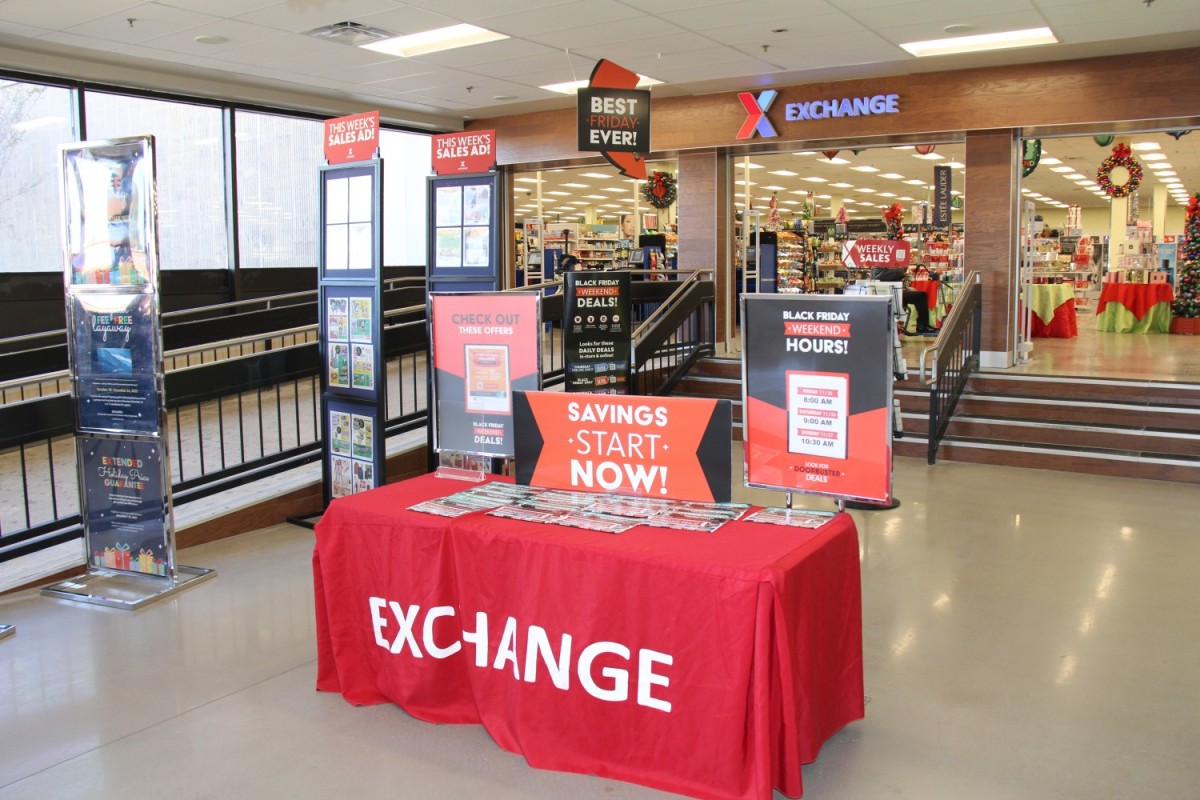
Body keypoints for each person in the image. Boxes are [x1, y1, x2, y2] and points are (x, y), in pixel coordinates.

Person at [871, 266, 937, 335]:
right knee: (921, 296)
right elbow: (880, 276)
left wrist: (906, 287)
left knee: (922, 295)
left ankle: (923, 325)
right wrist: (901, 269)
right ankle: (922, 326)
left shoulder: (885, 265)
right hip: (889, 293)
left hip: (895, 291)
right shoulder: (879, 266)